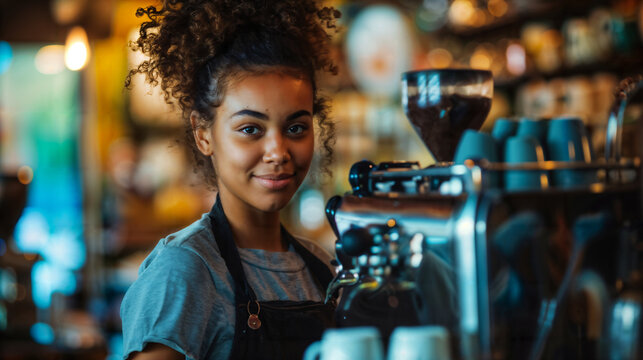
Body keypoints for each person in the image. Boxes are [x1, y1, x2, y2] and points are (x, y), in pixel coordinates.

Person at [119, 1, 341, 359]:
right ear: (203, 134)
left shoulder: (322, 268)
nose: (278, 151)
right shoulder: (186, 269)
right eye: (250, 129)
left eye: (296, 128)